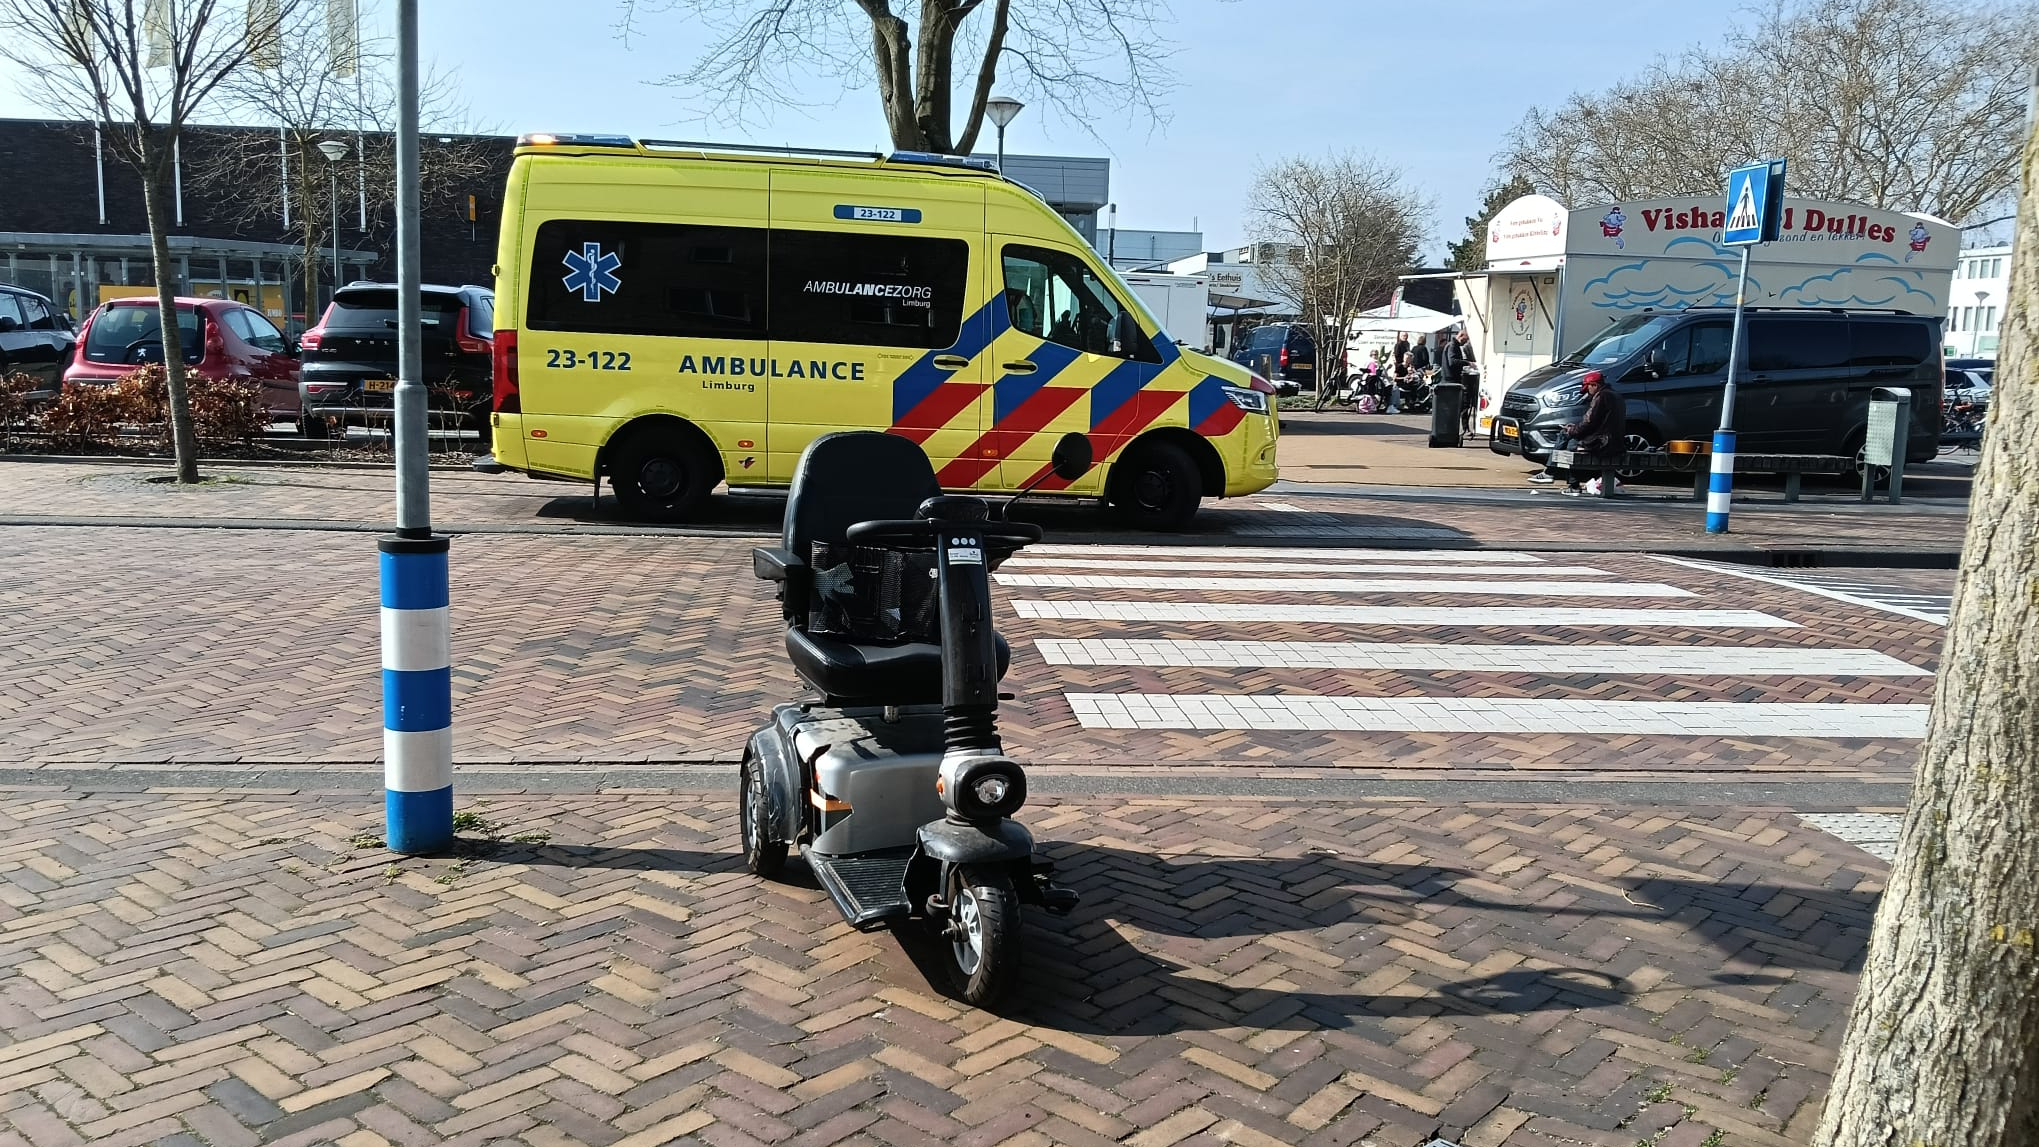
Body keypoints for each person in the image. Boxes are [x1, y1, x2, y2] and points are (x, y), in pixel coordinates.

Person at [1557, 371, 1624, 497]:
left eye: (1587, 388)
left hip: (1603, 443)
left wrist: (1572, 430)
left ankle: (1571, 484)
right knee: (1568, 437)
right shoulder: (1616, 395)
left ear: (1594, 385)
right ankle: (1549, 472)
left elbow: (1589, 422)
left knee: (1568, 444)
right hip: (1614, 441)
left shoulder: (1601, 397)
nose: (1587, 392)